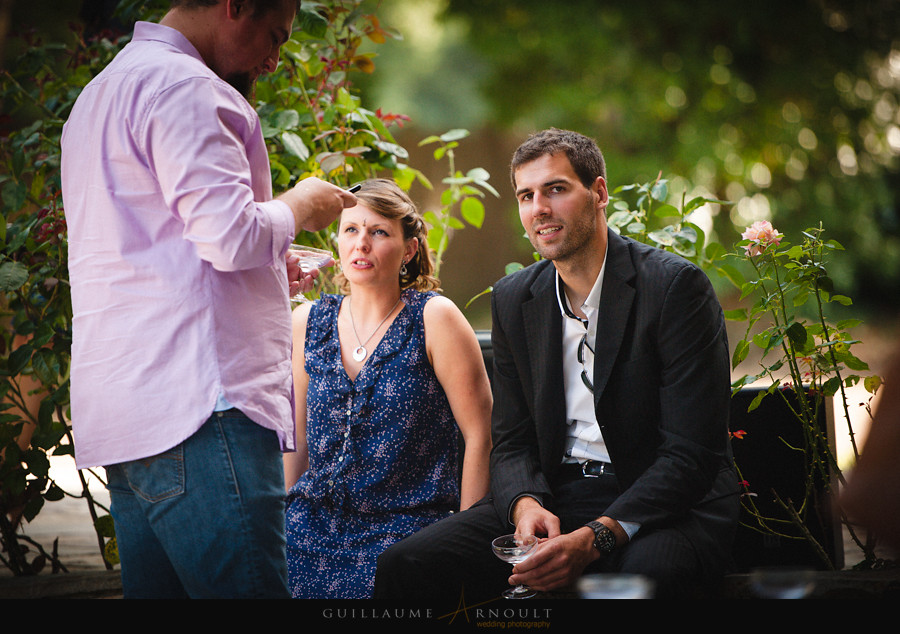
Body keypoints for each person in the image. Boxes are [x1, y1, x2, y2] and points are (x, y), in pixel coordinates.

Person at [60, 0, 356, 599]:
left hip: (129, 415)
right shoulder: (186, 87)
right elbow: (231, 236)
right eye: (275, 37)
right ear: (235, 6)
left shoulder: (98, 94)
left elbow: (150, 250)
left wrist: (269, 272)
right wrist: (302, 204)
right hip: (202, 411)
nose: (274, 60)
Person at [373, 128, 741, 604]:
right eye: (526, 195)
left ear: (599, 193)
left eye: (556, 189)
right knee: (406, 565)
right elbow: (512, 441)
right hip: (557, 495)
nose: (539, 209)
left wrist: (594, 539)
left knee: (642, 582)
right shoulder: (514, 299)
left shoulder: (674, 289)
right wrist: (526, 505)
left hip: (663, 504)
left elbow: (690, 456)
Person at [283, 178, 492, 598]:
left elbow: (480, 436)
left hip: (405, 530)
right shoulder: (307, 322)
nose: (361, 243)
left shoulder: (434, 318)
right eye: (351, 229)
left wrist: (464, 541)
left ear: (409, 249)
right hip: (312, 525)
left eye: (378, 232)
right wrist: (281, 517)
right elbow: (297, 440)